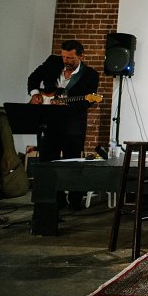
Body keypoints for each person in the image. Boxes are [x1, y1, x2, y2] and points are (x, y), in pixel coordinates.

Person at [28, 39, 100, 209]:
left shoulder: (90, 75)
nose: (65, 61)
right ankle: (54, 200)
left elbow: (87, 102)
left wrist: (67, 105)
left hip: (73, 125)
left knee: (72, 164)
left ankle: (75, 201)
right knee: (47, 163)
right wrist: (36, 94)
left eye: (70, 58)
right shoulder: (52, 62)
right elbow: (33, 78)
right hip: (49, 123)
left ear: (81, 56)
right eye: (64, 57)